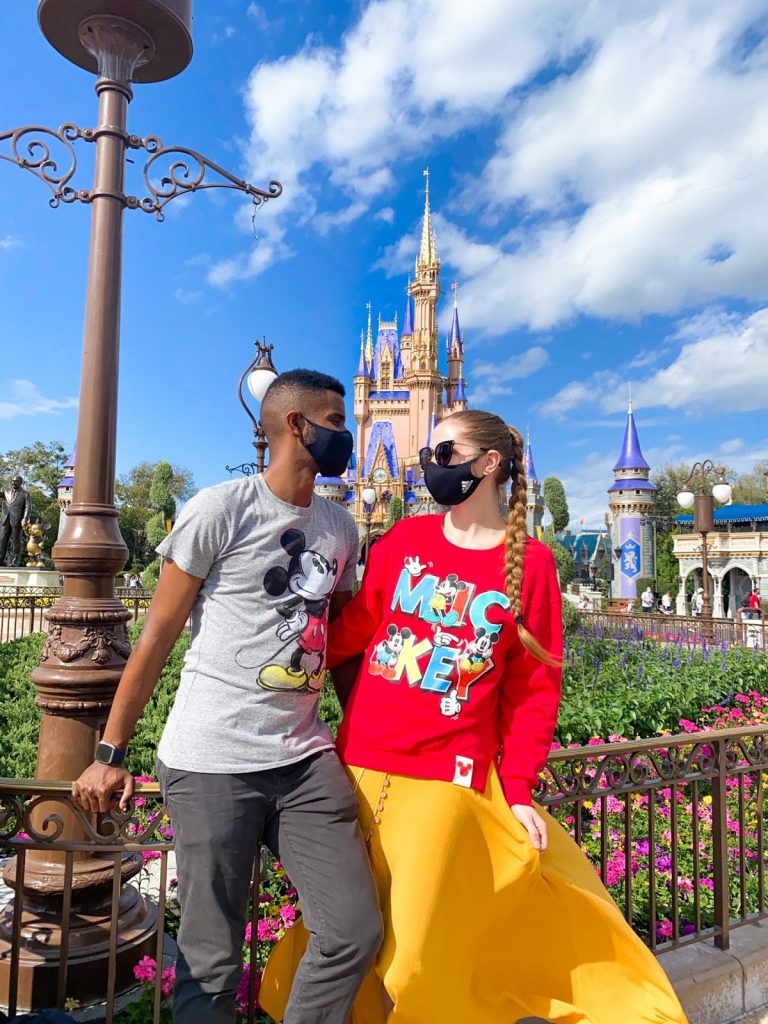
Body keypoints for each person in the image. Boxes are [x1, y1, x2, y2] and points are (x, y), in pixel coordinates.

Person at [261, 410, 687, 1024]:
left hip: (444, 780)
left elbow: (535, 691)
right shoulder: (404, 541)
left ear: (488, 464)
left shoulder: (532, 564)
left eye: (445, 452)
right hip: (359, 767)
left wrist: (516, 791)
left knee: (414, 958)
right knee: (350, 937)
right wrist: (272, 641)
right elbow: (354, 631)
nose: (431, 464)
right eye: (430, 452)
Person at [72, 370, 382, 1024]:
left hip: (304, 761)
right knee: (212, 964)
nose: (346, 435)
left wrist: (366, 729)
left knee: (353, 929)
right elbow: (156, 634)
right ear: (297, 426)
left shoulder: (340, 528)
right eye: (335, 419)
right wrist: (110, 750)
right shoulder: (220, 509)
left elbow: (343, 645)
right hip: (212, 761)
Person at [0, 476, 32, 566]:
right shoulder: (6, 491)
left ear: (21, 482)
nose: (13, 483)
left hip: (17, 520)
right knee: (2, 540)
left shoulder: (25, 494)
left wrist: (25, 518)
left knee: (16, 541)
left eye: (16, 481)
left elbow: (28, 507)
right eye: (12, 481)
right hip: (5, 519)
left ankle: (14, 561)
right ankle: (0, 560)